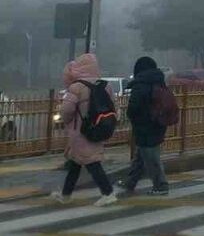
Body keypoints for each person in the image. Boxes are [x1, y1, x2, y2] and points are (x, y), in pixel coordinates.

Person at [50, 53, 117, 206]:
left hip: (81, 131)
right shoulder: (105, 86)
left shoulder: (76, 87)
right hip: (99, 127)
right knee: (75, 162)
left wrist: (67, 121)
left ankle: (108, 193)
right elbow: (114, 106)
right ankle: (66, 194)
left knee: (91, 162)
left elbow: (66, 111)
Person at [119, 56, 170, 195]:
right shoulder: (159, 82)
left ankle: (161, 185)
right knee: (141, 155)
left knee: (151, 156)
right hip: (159, 123)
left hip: (144, 125)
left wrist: (133, 118)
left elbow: (133, 108)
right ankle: (130, 181)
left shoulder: (140, 85)